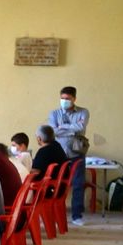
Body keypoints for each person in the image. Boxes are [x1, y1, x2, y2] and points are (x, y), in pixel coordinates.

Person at [49, 86, 91, 225]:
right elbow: (53, 131)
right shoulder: (54, 113)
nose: (64, 101)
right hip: (59, 153)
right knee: (57, 183)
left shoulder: (83, 112)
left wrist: (62, 127)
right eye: (62, 98)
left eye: (67, 99)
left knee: (78, 184)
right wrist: (71, 129)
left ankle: (77, 215)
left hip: (76, 153)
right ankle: (55, 214)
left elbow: (81, 128)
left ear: (74, 99)